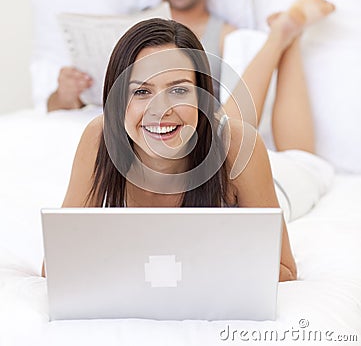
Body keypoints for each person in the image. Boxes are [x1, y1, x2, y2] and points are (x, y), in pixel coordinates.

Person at [46, 0, 335, 160]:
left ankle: (283, 37)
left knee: (228, 132)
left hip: (199, 138)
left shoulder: (229, 37)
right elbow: (57, 109)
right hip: (127, 136)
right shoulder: (123, 29)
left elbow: (249, 127)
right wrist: (66, 94)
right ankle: (284, 34)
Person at [56, 17, 297, 282]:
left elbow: (284, 269)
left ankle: (282, 37)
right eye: (141, 92)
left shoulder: (239, 146)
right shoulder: (99, 138)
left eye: (179, 89)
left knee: (237, 132)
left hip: (284, 181)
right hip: (201, 134)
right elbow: (58, 264)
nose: (160, 110)